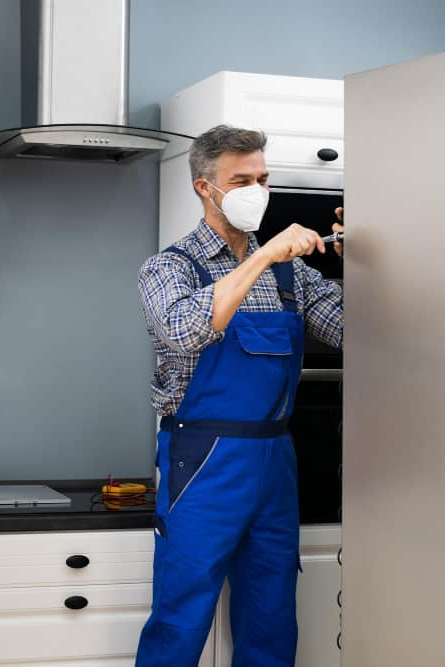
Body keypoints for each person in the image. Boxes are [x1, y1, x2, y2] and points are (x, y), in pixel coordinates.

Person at [135, 125, 344, 666]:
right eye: (242, 180)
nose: (258, 189)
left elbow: (357, 328)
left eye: (264, 179)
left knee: (272, 620)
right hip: (204, 462)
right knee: (180, 620)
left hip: (276, 462)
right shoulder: (169, 267)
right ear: (206, 188)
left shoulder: (292, 273)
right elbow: (182, 329)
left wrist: (380, 246)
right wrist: (262, 257)